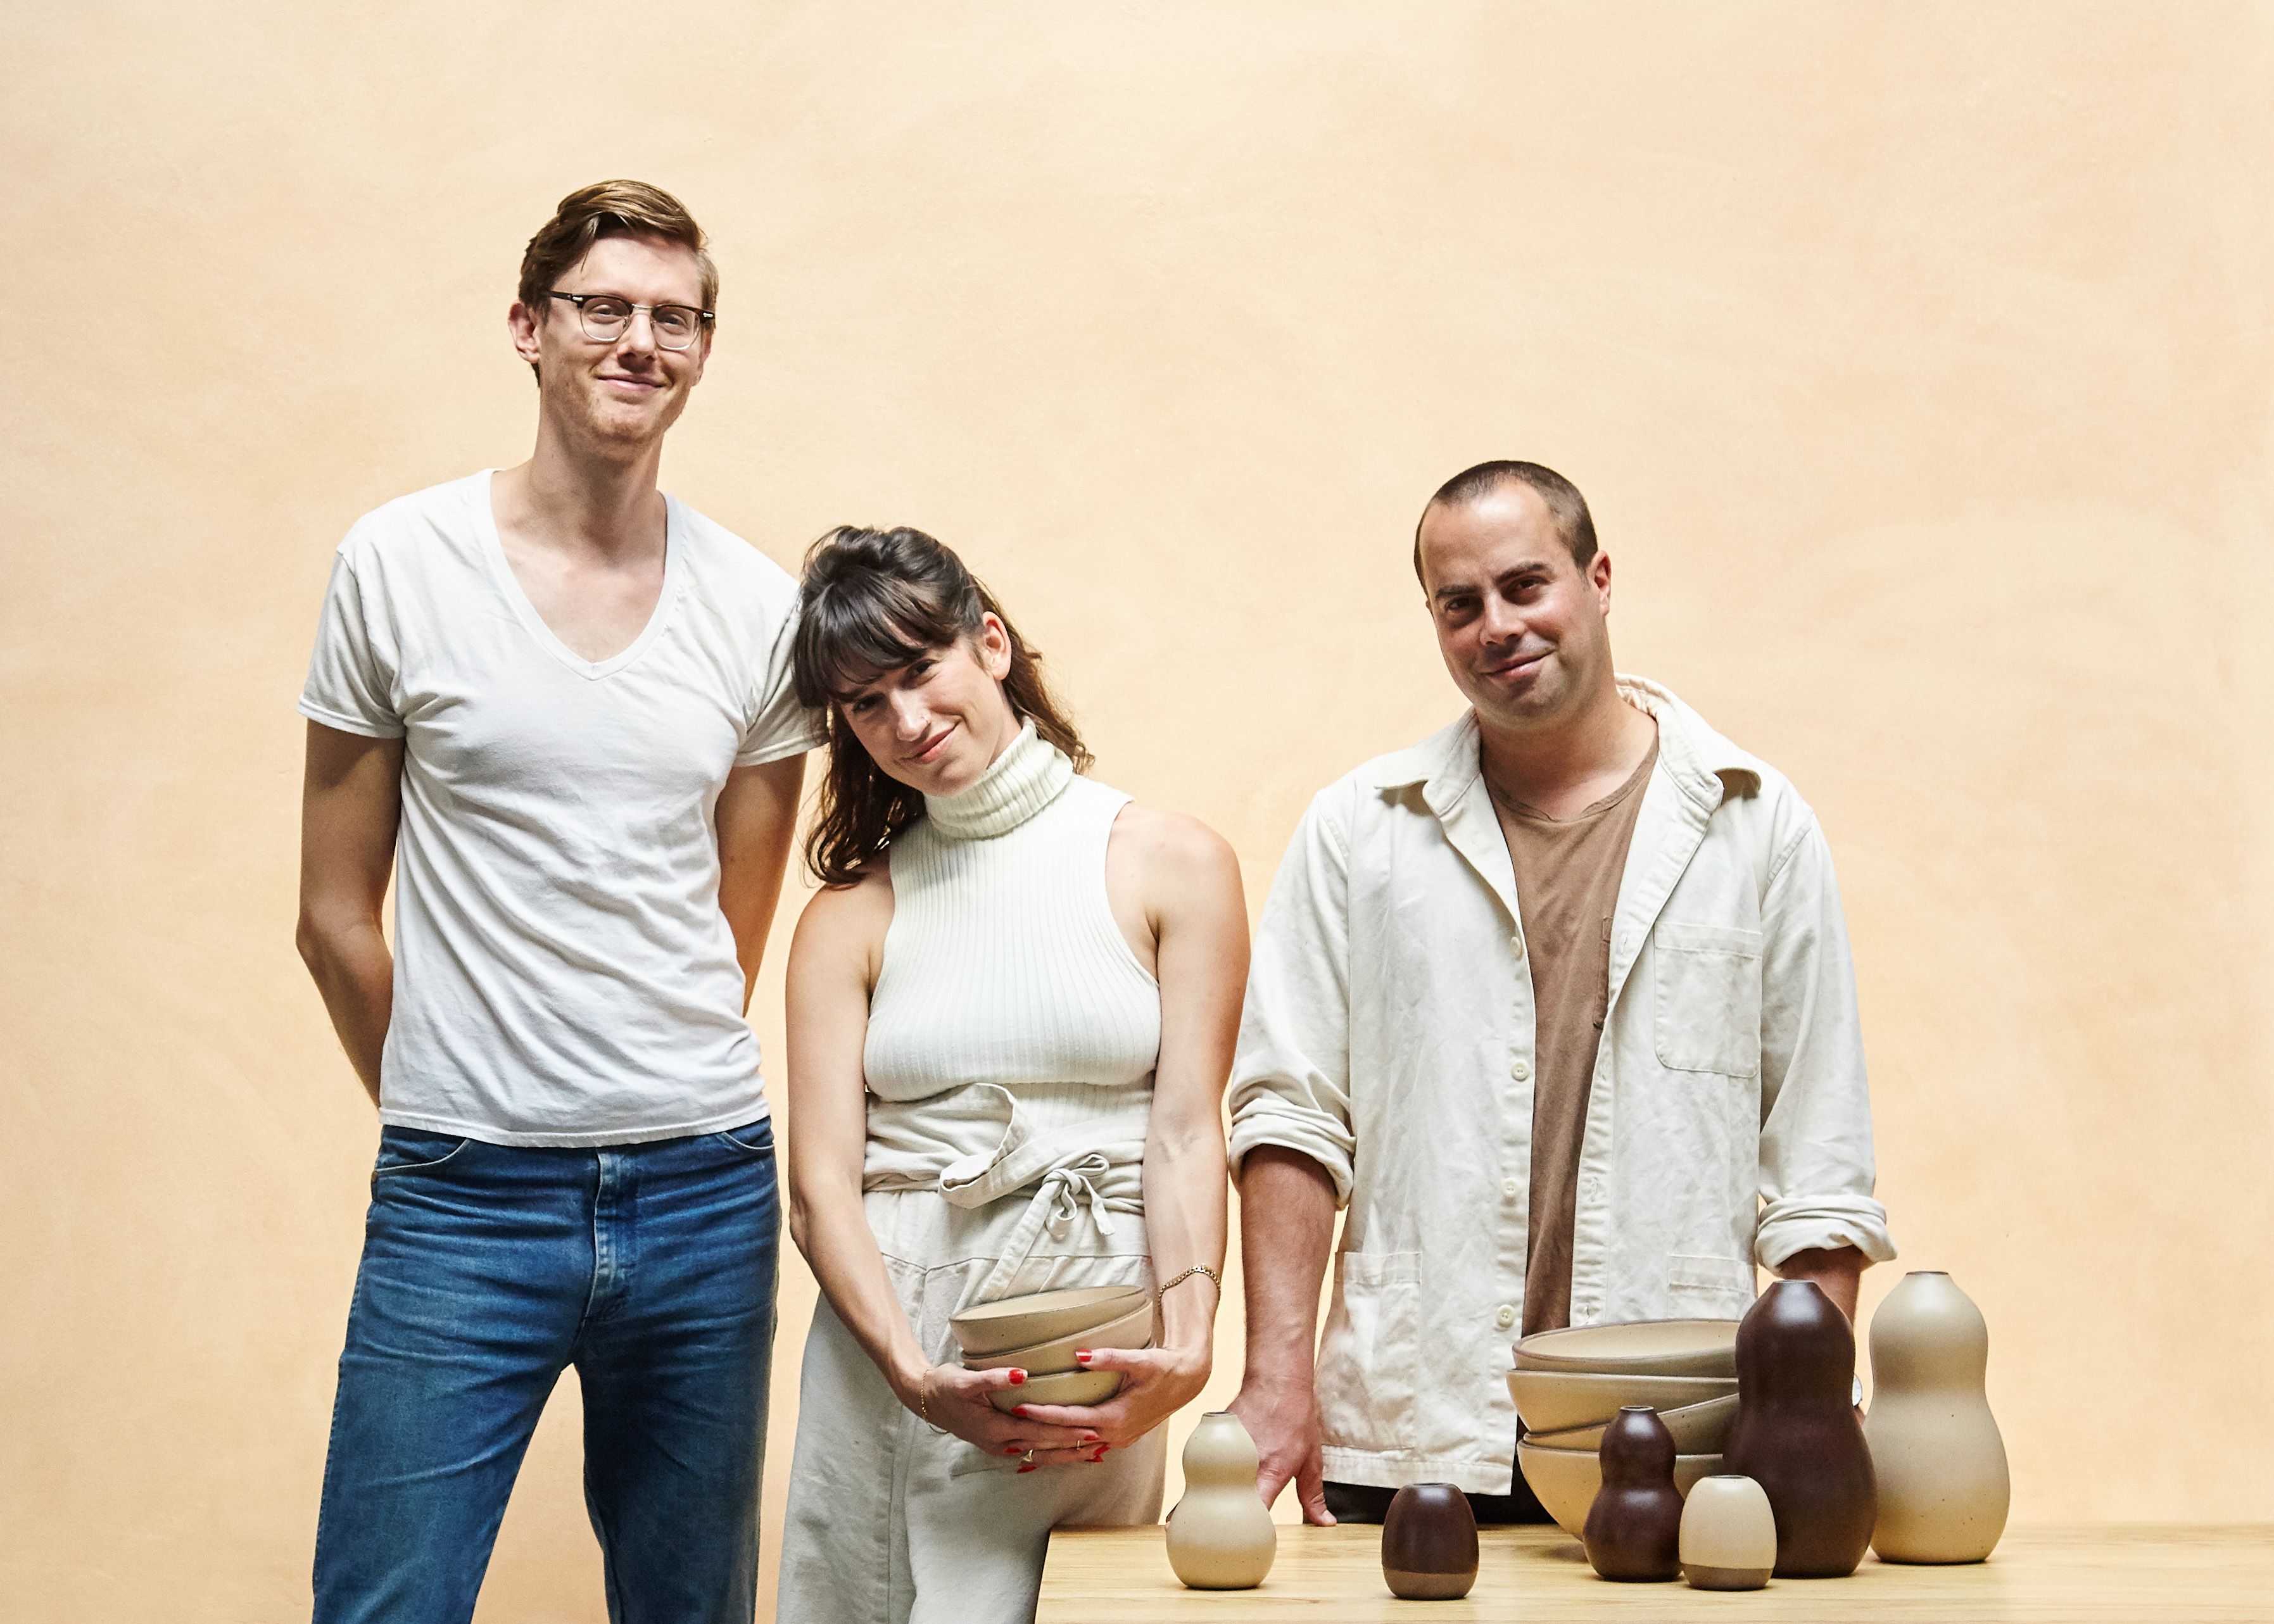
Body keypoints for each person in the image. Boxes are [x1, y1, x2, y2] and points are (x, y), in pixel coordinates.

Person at [293, 180, 818, 1622]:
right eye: (603, 307)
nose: (638, 340)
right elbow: (334, 912)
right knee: (383, 1603)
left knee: (691, 1606)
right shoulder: (397, 563)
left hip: (704, 1187)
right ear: (529, 328)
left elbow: (728, 932)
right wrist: (448, 1098)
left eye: (673, 316)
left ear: (702, 349)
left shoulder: (758, 609)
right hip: (462, 1196)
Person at [1226, 460, 1895, 1526]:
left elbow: (1818, 1161)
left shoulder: (1756, 824)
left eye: (1526, 585)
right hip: (1412, 1437)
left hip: (1681, 1441)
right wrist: (1276, 1380)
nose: (1497, 625)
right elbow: (1290, 1122)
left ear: (1599, 579)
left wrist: (1803, 1408)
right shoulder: (1359, 831)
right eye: (1460, 605)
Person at [773, 526, 1247, 1623]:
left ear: (990, 642)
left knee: (1066, 1603)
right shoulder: (851, 915)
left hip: (1083, 1333)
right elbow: (821, 1190)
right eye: (863, 704)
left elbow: (1183, 1134)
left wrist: (1188, 1339)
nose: (905, 721)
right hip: (892, 1329)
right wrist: (910, 1372)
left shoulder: (1172, 861)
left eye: (917, 670)